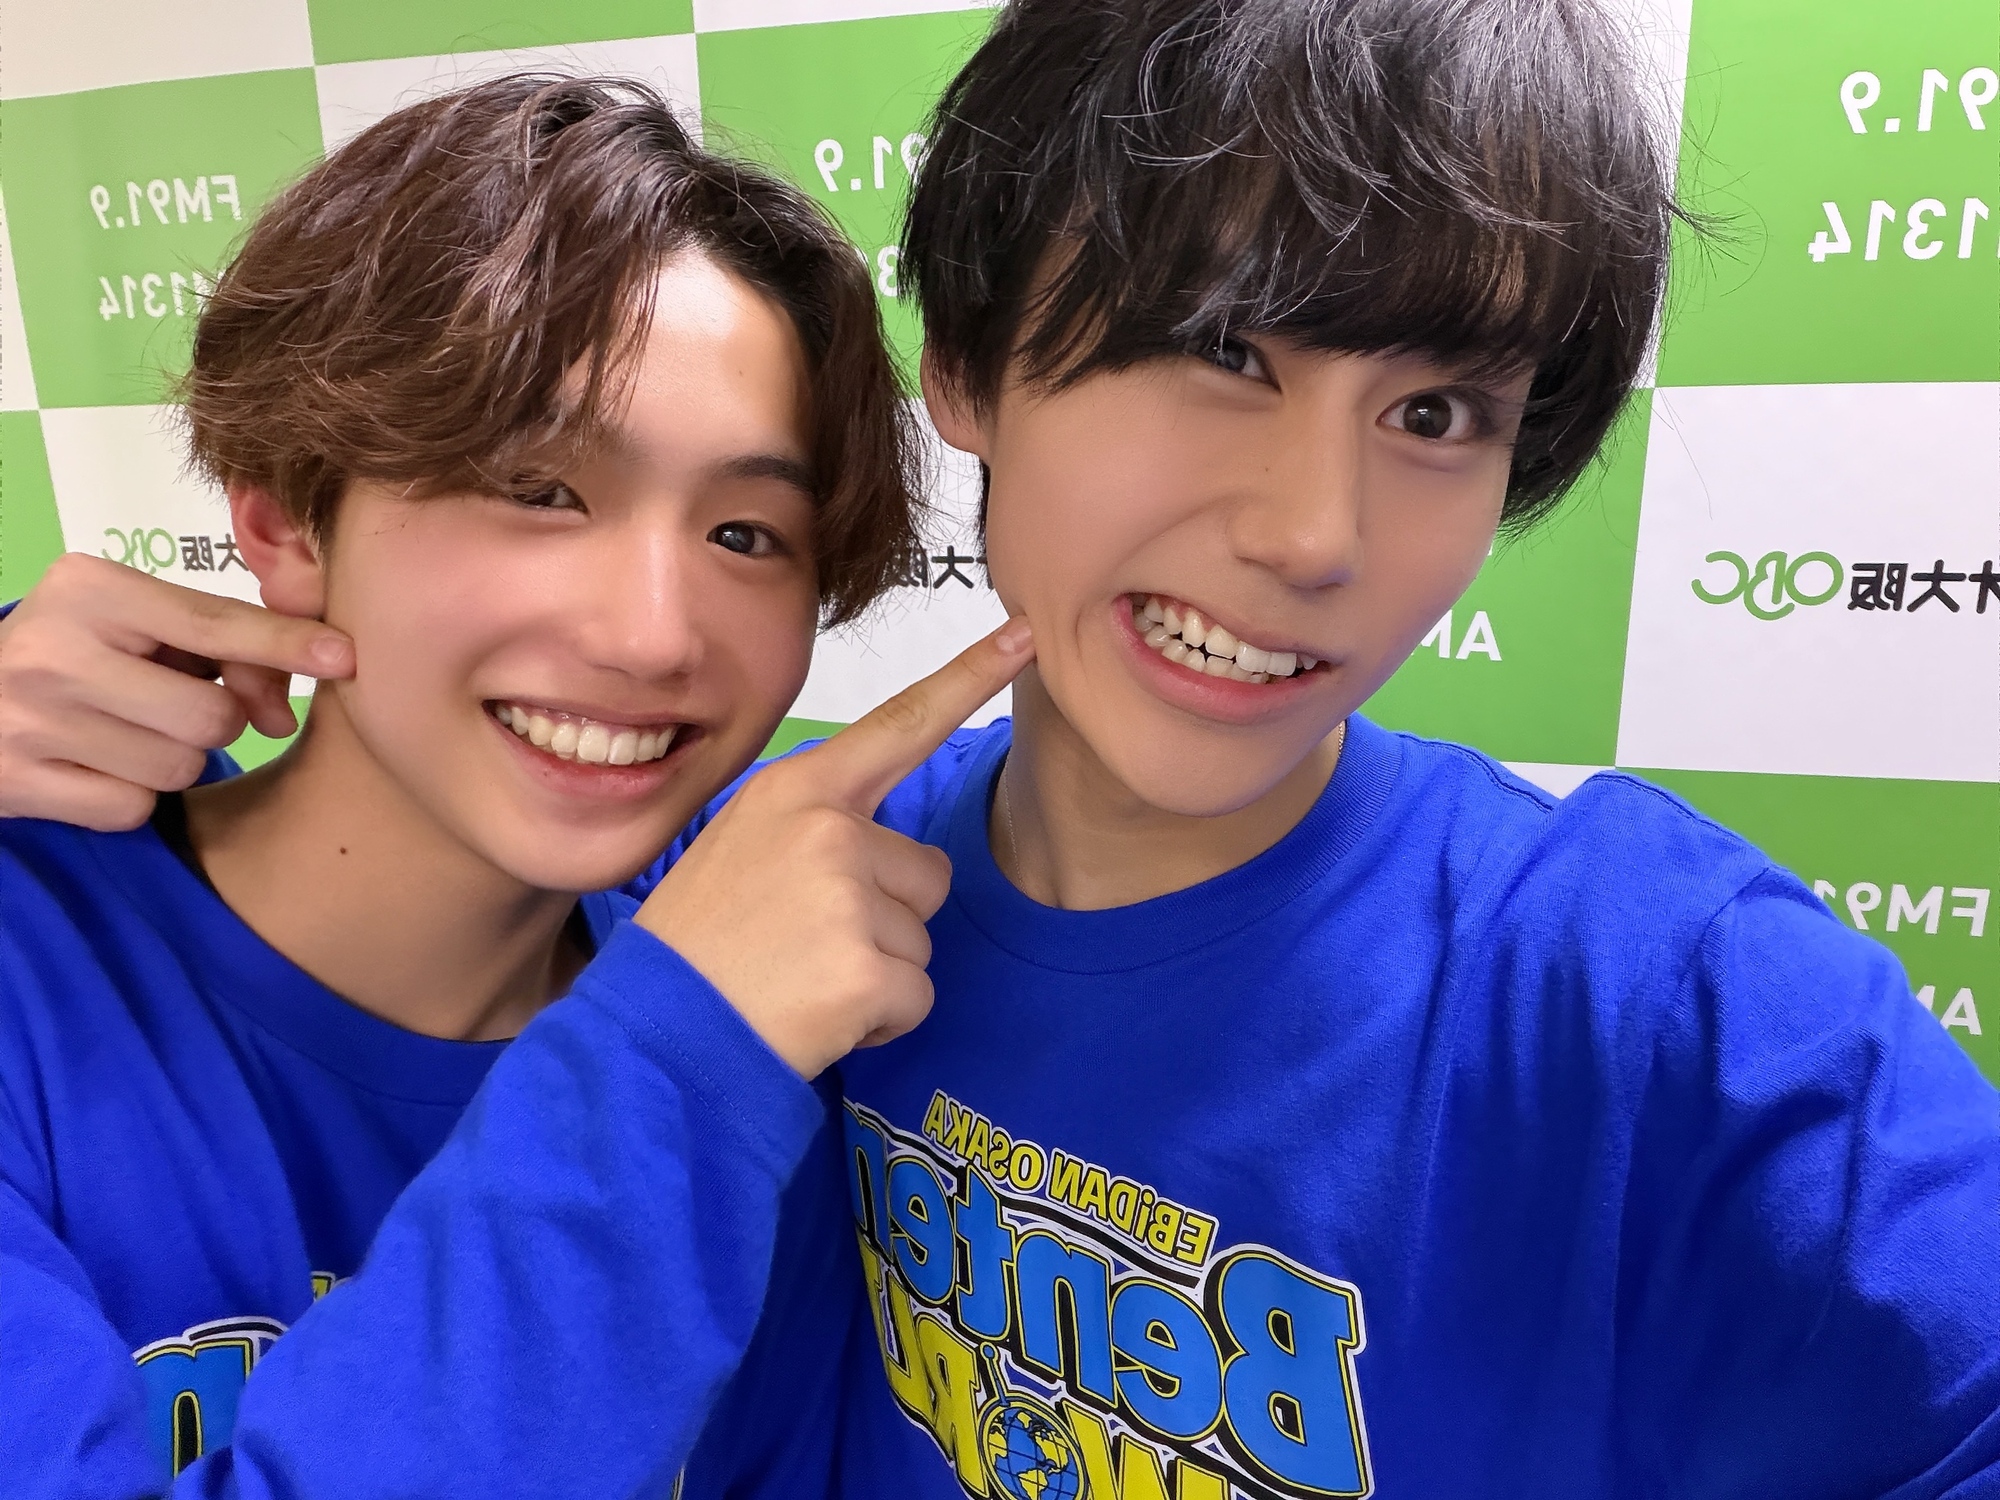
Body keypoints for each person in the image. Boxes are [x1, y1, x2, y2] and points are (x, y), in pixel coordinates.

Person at [10, 1, 2000, 1495]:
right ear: (965, 368)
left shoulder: (1658, 987)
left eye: (1437, 414)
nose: (1315, 534)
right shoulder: (753, 947)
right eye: (1220, 349)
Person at [0, 73, 1035, 1498]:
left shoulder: (766, 995)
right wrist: (678, 1064)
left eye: (746, 534)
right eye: (541, 492)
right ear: (284, 519)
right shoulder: (37, 971)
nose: (653, 636)